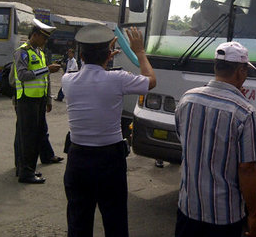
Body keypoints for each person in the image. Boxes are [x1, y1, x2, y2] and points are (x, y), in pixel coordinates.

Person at [62, 24, 156, 237]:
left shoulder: (68, 81)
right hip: (109, 159)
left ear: (82, 56)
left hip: (77, 157)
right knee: (115, 220)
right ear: (108, 55)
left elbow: (93, 76)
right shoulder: (118, 79)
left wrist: (101, 59)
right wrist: (140, 52)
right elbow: (151, 81)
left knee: (78, 220)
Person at [174, 41, 256, 237]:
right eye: (246, 71)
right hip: (223, 216)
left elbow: (184, 141)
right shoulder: (245, 112)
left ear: (216, 67)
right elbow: (247, 168)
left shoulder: (187, 100)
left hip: (188, 207)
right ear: (241, 71)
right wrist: (254, 215)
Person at [13, 19, 62, 184]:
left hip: (38, 100)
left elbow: (45, 79)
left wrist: (48, 99)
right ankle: (26, 173)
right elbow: (22, 75)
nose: (45, 41)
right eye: (43, 38)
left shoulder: (39, 53)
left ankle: (28, 169)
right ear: (34, 36)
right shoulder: (23, 52)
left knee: (36, 135)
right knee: (28, 137)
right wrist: (46, 69)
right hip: (26, 100)